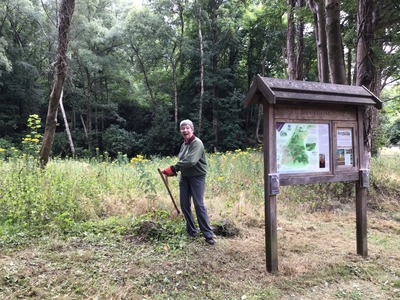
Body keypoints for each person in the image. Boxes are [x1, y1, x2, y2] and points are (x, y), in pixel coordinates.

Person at [161, 119, 215, 245]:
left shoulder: (197, 143)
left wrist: (173, 168)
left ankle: (208, 234)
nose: (185, 130)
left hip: (197, 177)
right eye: (182, 128)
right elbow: (183, 160)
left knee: (198, 204)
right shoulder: (184, 144)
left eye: (187, 128)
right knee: (184, 205)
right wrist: (173, 172)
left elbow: (191, 161)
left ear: (192, 129)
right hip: (185, 177)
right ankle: (192, 231)